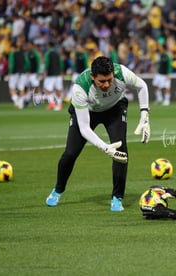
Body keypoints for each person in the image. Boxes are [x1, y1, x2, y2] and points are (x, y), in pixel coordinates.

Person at [45, 56, 150, 212]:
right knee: (71, 153)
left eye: (109, 80)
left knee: (121, 153)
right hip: (88, 112)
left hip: (114, 110)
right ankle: (58, 190)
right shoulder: (80, 87)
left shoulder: (122, 72)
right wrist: (104, 147)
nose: (107, 84)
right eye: (101, 81)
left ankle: (117, 198)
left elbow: (142, 86)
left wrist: (144, 115)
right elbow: (85, 128)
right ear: (93, 77)